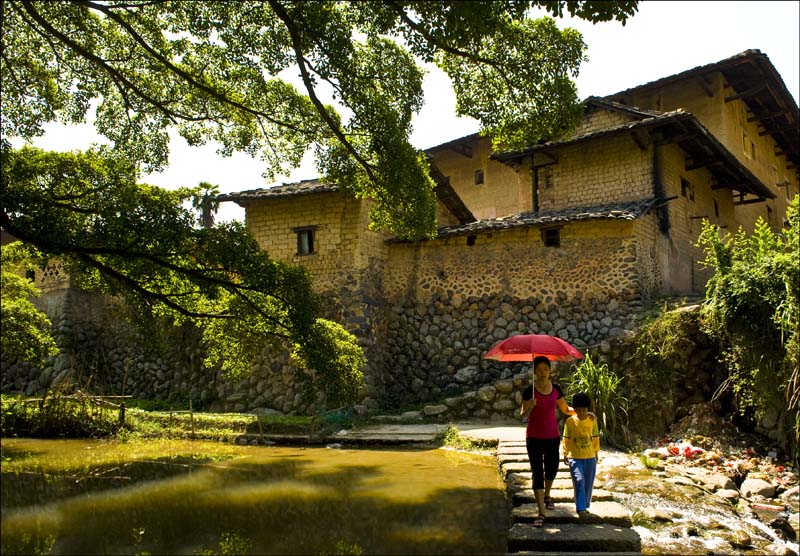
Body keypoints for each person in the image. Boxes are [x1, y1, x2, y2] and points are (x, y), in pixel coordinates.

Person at [520, 355, 575, 527]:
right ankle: (541, 511)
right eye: (539, 369)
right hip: (534, 437)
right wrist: (530, 405)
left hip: (552, 436)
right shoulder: (530, 391)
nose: (543, 372)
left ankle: (547, 494)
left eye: (545, 369)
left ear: (549, 370)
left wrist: (582, 413)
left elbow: (565, 409)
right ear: (534, 371)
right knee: (537, 471)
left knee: (552, 468)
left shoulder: (556, 388)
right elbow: (522, 414)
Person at [561, 392, 600, 516]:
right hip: (575, 457)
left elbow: (595, 437)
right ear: (575, 409)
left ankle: (584, 503)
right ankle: (581, 508)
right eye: (579, 409)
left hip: (590, 457)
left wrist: (596, 452)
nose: (582, 412)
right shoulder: (570, 421)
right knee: (578, 480)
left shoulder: (592, 420)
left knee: (588, 482)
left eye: (584, 410)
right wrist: (565, 453)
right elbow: (566, 438)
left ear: (587, 409)